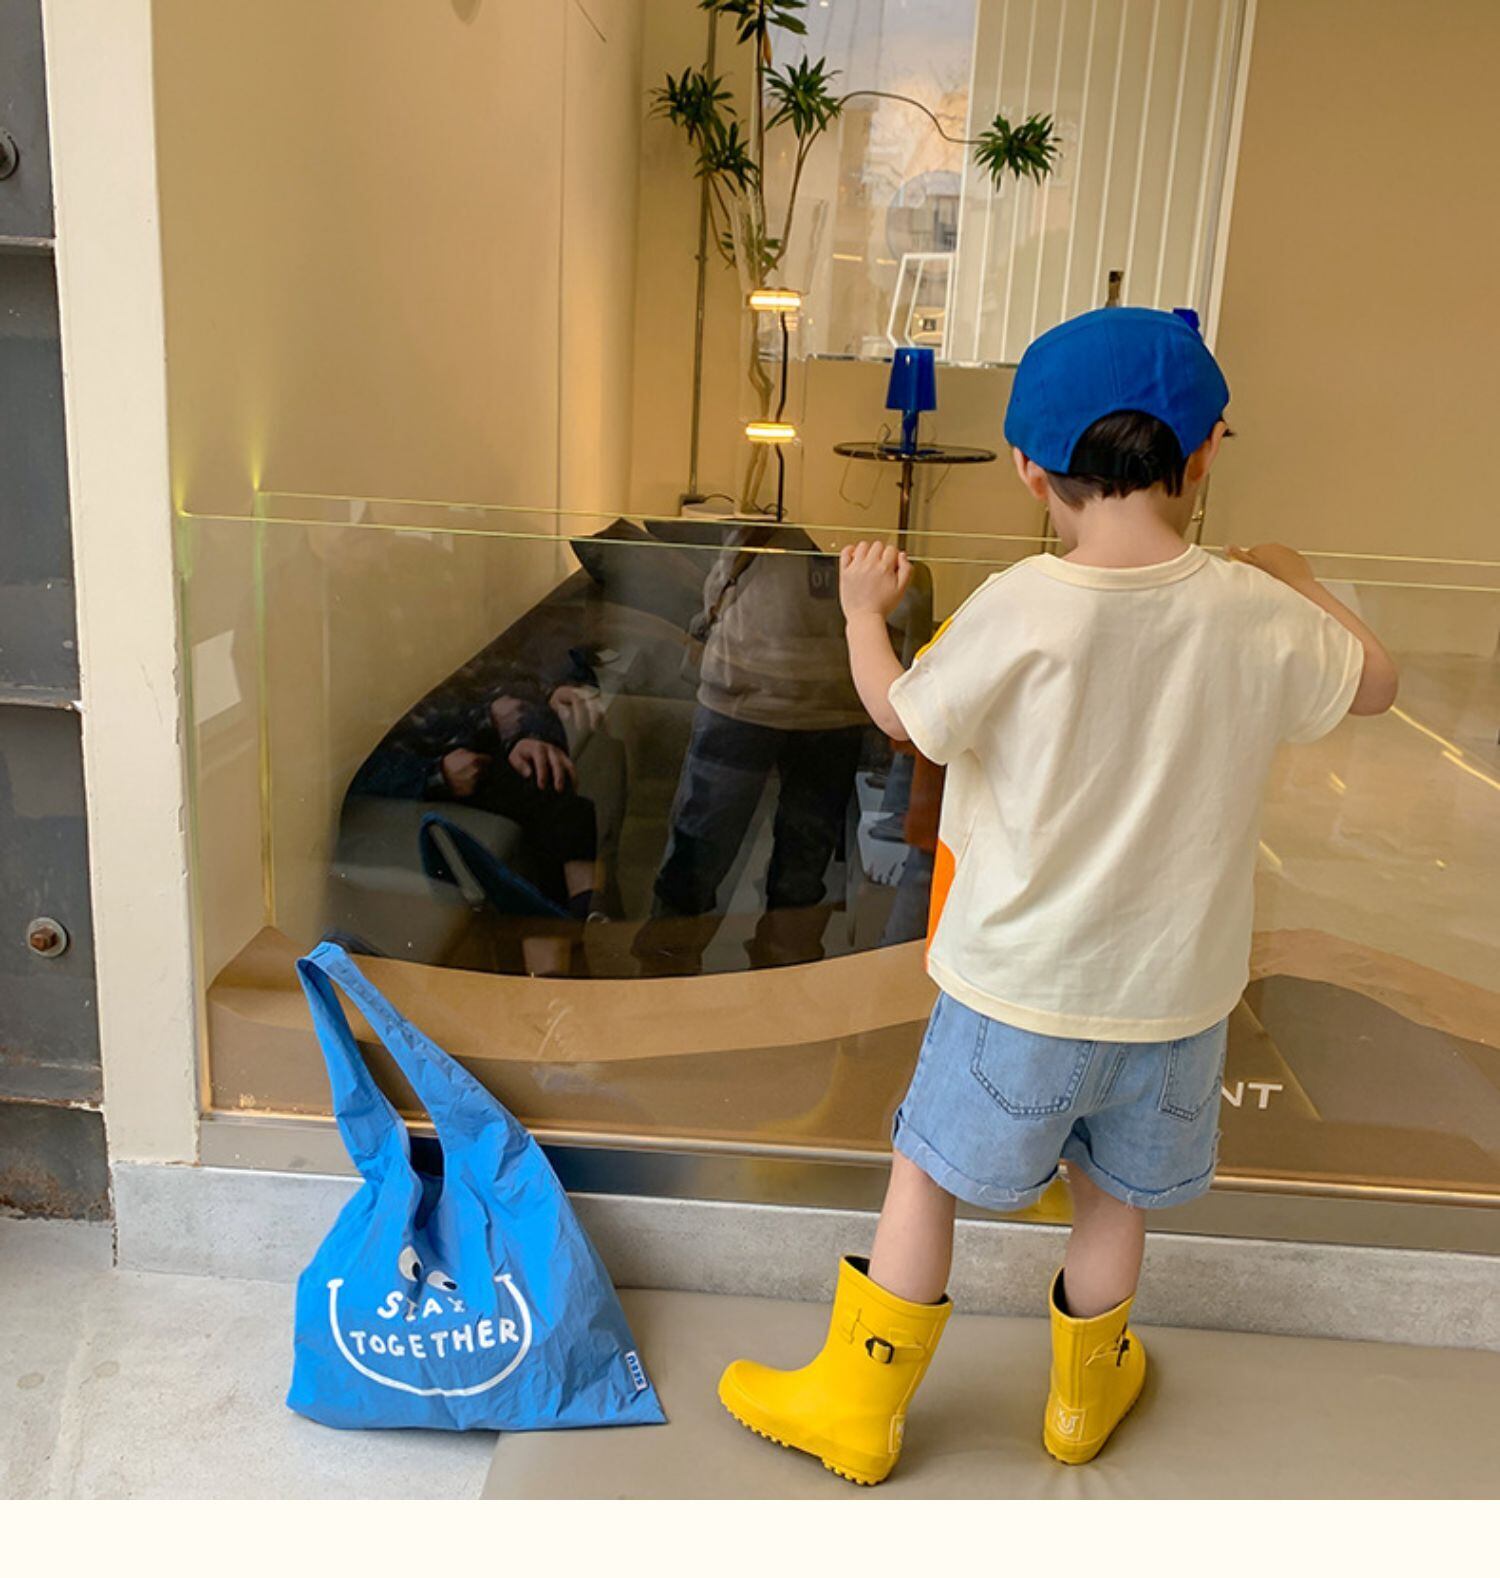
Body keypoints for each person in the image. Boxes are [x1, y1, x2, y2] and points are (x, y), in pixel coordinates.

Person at [716, 306, 1398, 1486]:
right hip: (1176, 1001)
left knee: (928, 1170)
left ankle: (858, 1405)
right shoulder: (1255, 613)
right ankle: (1083, 1400)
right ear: (1205, 455)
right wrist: (1296, 578)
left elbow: (904, 717)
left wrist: (862, 613)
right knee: (1114, 1196)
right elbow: (1376, 684)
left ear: (1030, 469)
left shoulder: (1020, 605)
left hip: (1018, 986)